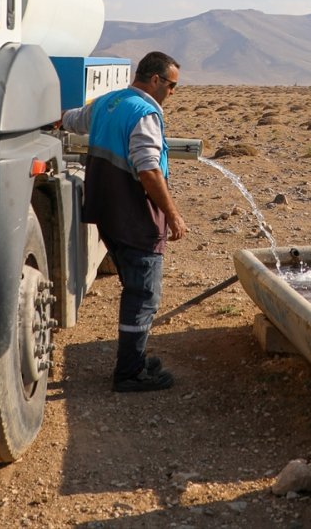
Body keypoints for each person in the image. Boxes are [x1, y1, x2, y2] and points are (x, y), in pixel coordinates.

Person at [60, 51, 188, 392]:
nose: (172, 93)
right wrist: (172, 214)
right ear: (156, 80)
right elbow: (147, 168)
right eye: (172, 85)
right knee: (143, 293)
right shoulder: (145, 113)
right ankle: (130, 372)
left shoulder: (109, 101)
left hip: (106, 213)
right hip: (134, 215)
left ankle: (136, 358)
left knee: (135, 287)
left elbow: (70, 120)